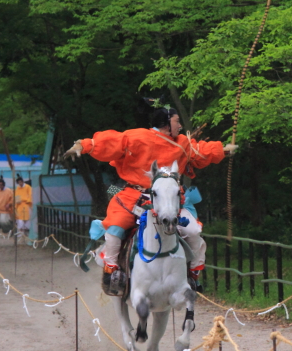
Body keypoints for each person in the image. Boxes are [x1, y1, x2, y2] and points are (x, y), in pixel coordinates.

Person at [63, 107, 237, 292]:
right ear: (167, 123)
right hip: (134, 196)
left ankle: (192, 275)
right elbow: (112, 142)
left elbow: (200, 151)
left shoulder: (182, 143)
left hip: (170, 200)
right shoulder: (137, 136)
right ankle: (112, 271)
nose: (180, 125)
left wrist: (222, 150)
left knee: (193, 231)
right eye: (177, 121)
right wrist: (83, 145)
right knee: (116, 227)